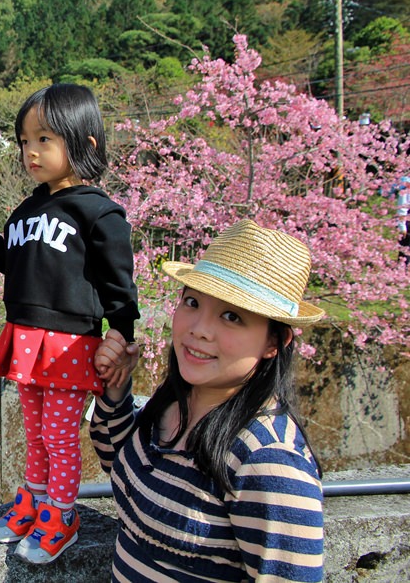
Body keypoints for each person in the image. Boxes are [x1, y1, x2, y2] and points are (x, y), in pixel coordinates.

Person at [91, 219, 325, 582]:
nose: (199, 328)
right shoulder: (176, 403)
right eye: (192, 302)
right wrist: (117, 388)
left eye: (231, 316)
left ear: (273, 343)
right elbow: (123, 466)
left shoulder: (269, 461)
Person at [0, 83, 140, 564]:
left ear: (84, 143)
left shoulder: (98, 212)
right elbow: (19, 262)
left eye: (44, 138)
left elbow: (118, 284)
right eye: (25, 141)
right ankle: (35, 501)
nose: (31, 151)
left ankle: (62, 514)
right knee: (36, 431)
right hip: (25, 336)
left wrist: (121, 334)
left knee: (61, 436)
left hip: (68, 342)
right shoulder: (26, 209)